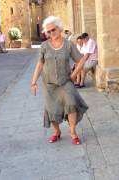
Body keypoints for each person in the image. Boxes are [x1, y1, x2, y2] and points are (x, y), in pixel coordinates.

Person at [31, 16, 89, 145]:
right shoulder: (44, 46)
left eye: (53, 30)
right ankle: (57, 132)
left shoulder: (68, 45)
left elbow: (81, 60)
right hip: (49, 84)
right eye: (49, 31)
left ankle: (73, 132)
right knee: (51, 109)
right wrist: (33, 82)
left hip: (65, 81)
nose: (51, 33)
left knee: (71, 104)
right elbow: (40, 64)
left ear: (59, 28)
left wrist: (74, 75)